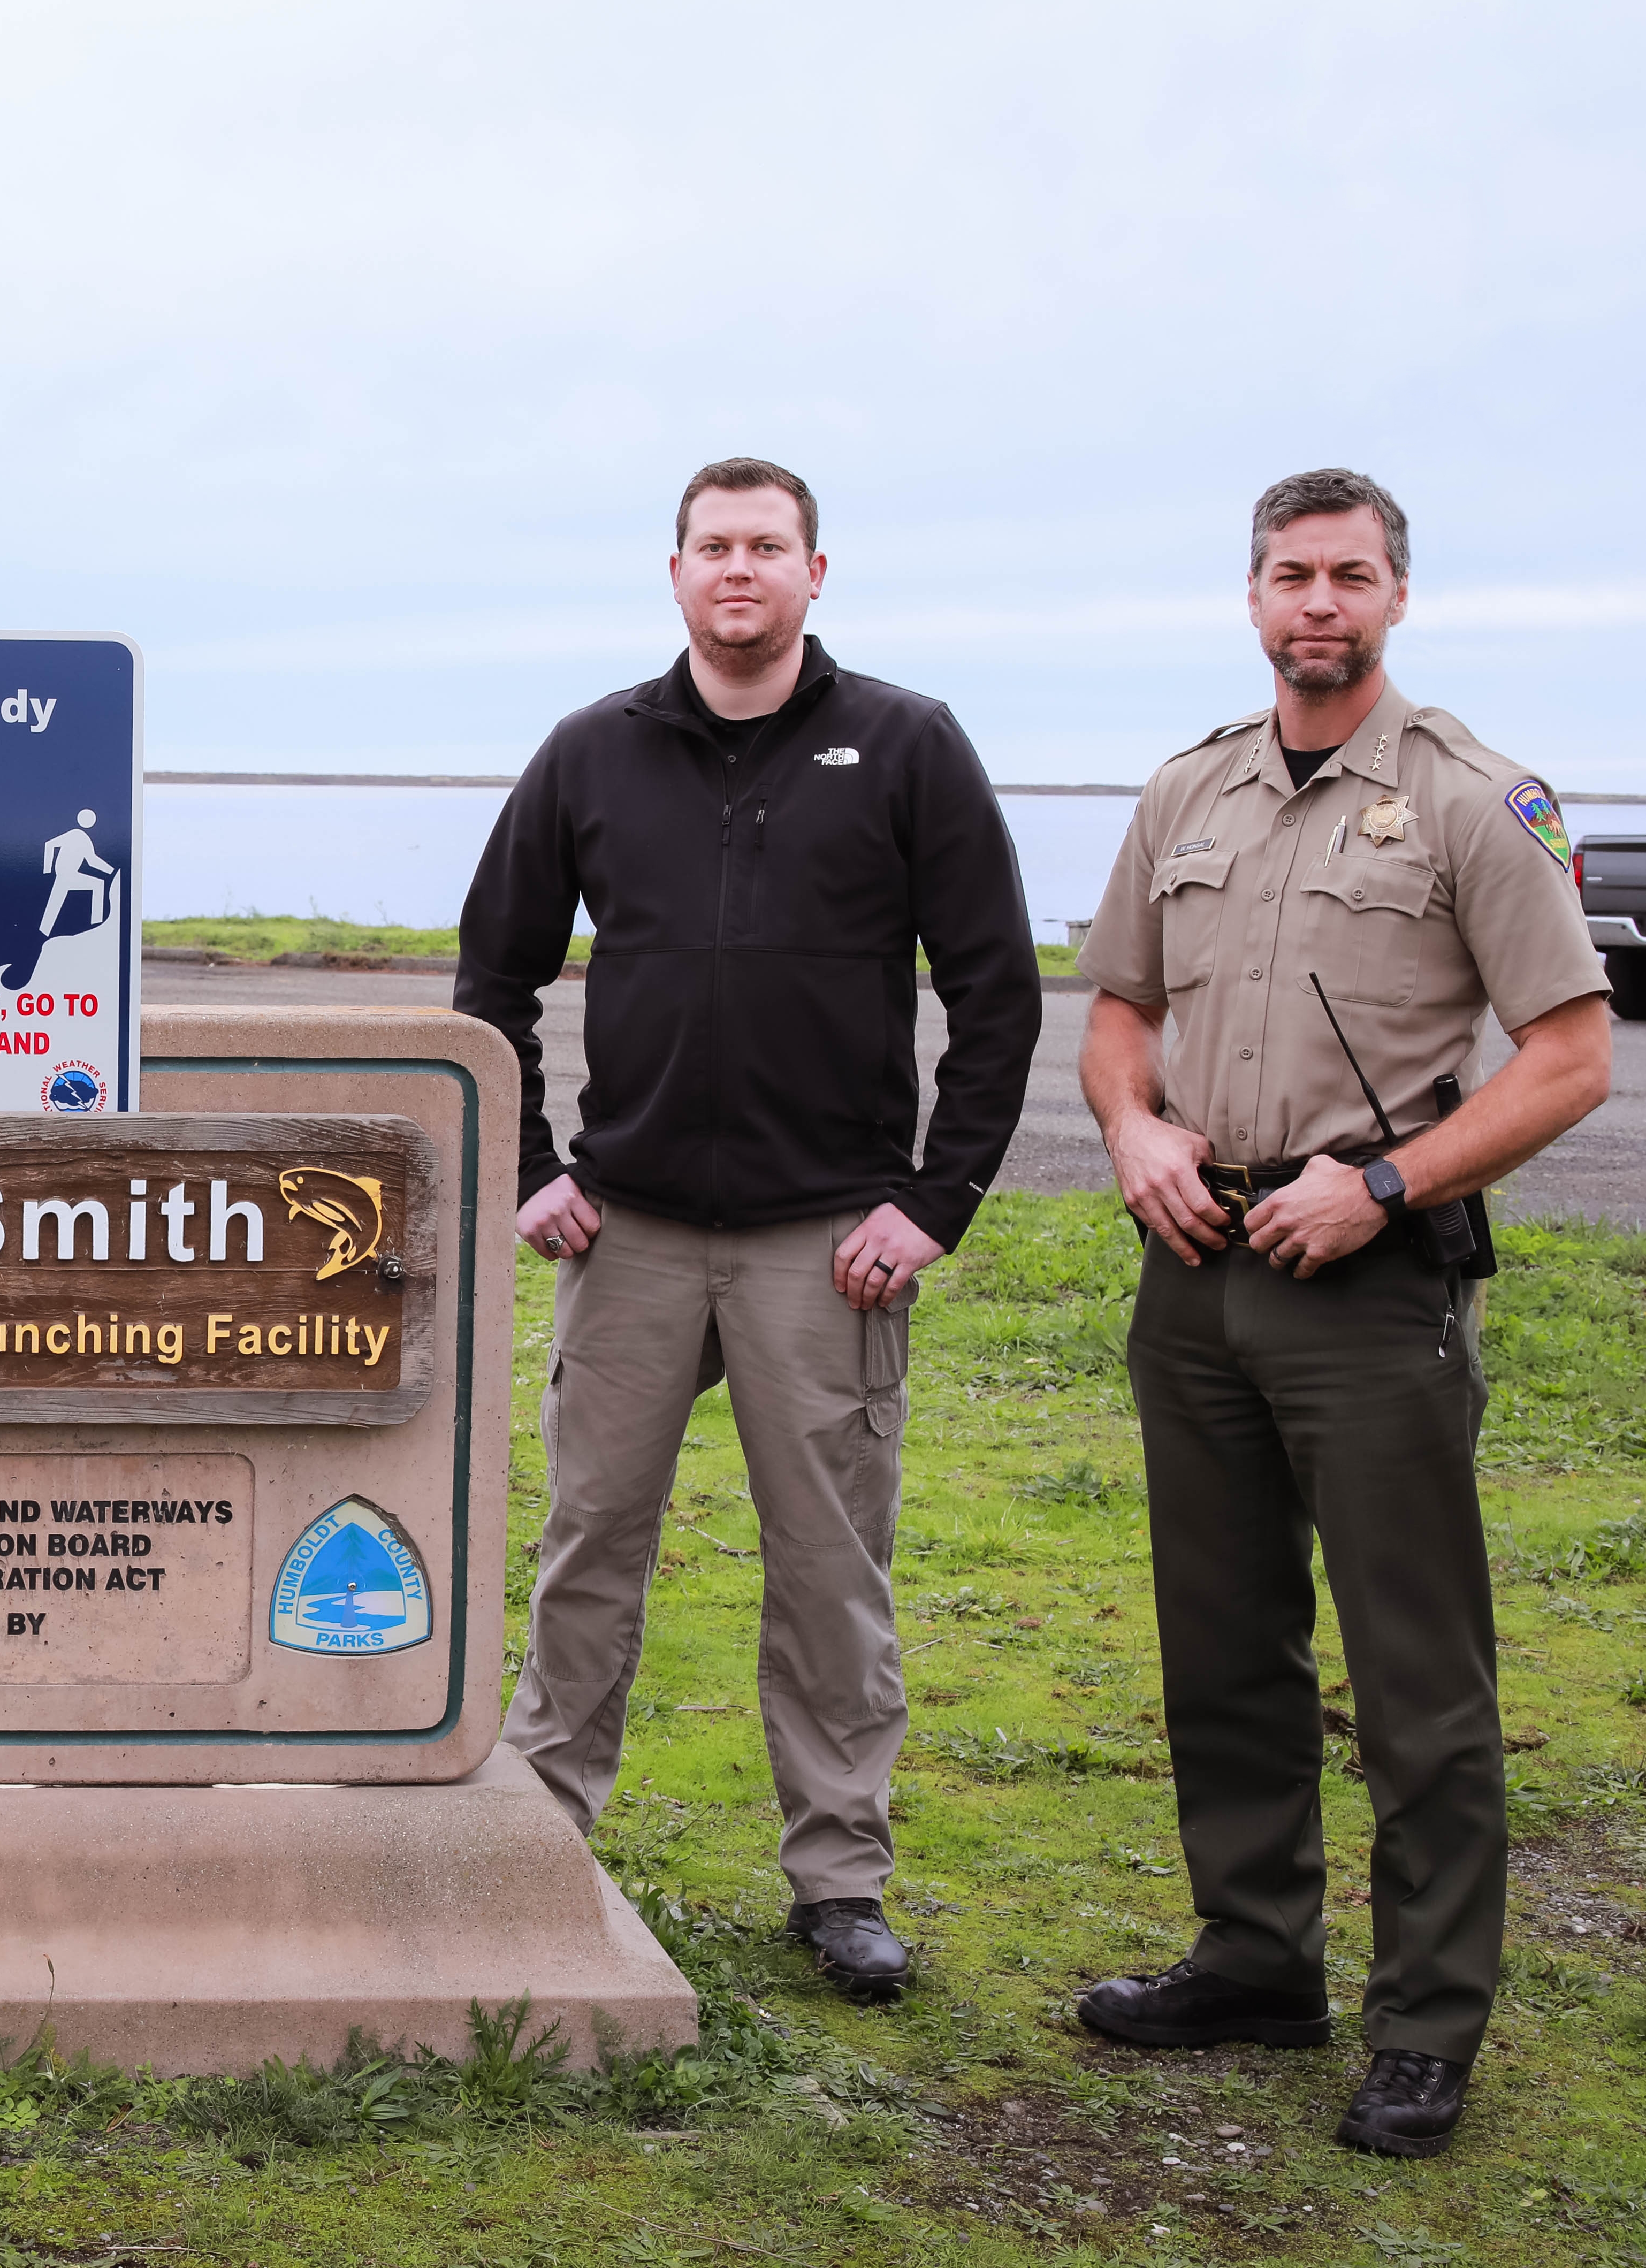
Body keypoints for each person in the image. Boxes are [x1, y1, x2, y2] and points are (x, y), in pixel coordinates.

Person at [1070, 470, 1612, 2158]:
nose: (1317, 601)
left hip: (1364, 1278)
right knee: (1220, 1647)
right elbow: (1112, 1011)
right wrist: (1131, 1127)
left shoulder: (1472, 800)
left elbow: (1568, 1057)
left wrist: (1380, 1185)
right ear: (1249, 600)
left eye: (1348, 576)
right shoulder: (1187, 794)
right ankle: (1251, 1961)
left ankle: (1424, 2024)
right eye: (1289, 576)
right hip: (1196, 1266)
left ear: (1392, 600)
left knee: (1412, 1675)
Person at [454, 457, 1042, 1999]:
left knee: (831, 1564)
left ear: (815, 572)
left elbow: (997, 991)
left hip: (825, 1239)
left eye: (766, 546)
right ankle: (545, 1826)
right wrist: (527, 1163)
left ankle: (839, 1876)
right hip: (628, 1231)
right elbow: (490, 984)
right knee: (590, 1543)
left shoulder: (906, 745)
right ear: (674, 573)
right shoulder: (593, 751)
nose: (739, 570)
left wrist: (935, 1202)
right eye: (713, 546)